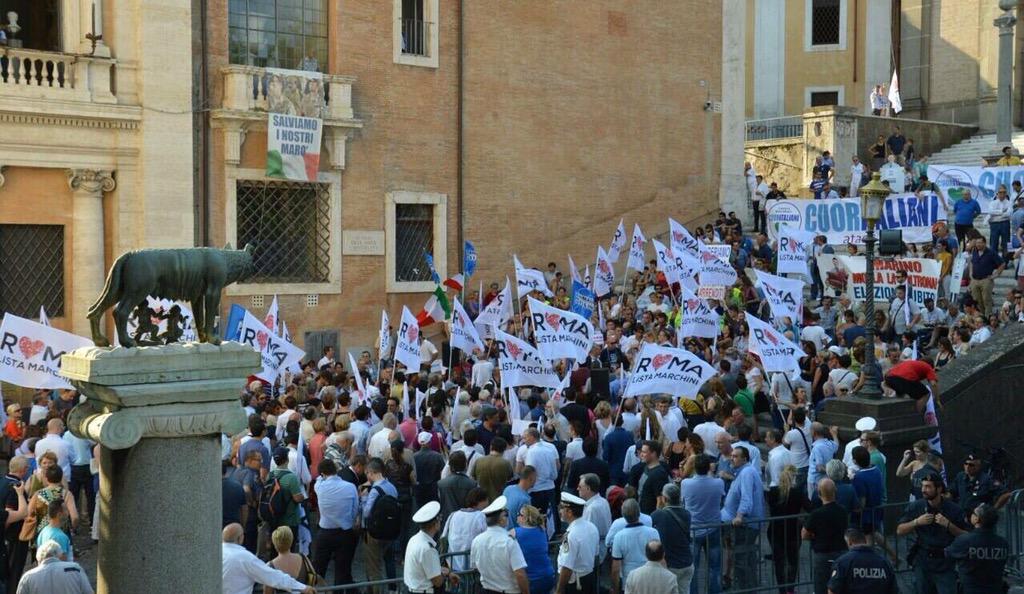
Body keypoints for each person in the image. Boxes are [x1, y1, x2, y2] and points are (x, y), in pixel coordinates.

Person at [896, 473, 969, 594]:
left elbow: (966, 536)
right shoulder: (916, 506)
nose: (923, 490)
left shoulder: (954, 509)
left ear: (939, 488)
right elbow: (899, 530)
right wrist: (916, 522)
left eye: (928, 486)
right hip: (922, 560)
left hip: (945, 562)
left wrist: (949, 525)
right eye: (923, 486)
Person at [720, 446, 765, 592]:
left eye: (735, 456)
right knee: (746, 559)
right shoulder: (743, 471)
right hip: (745, 524)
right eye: (731, 456)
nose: (731, 459)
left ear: (744, 459)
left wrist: (739, 516)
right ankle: (750, 588)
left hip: (746, 525)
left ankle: (746, 589)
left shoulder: (747, 472)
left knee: (742, 560)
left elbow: (747, 498)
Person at [222, 523, 314, 594]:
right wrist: (302, 587)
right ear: (240, 538)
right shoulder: (245, 558)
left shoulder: (216, 553)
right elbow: (274, 577)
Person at [312, 458, 359, 587]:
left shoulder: (319, 487)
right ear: (336, 470)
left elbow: (318, 479)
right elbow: (355, 510)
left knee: (319, 568)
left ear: (322, 473)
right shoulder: (350, 487)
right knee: (343, 570)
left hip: (325, 533)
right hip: (345, 532)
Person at [945, 503, 1010, 594]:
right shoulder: (1003, 543)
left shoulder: (964, 540)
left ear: (976, 519)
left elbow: (948, 554)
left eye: (973, 513)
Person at [470, 495, 530, 594]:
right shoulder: (509, 541)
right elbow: (520, 574)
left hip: (485, 590)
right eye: (506, 515)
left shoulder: (477, 540)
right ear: (502, 519)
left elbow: (475, 567)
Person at [682, 454, 724, 594]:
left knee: (693, 568)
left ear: (694, 467)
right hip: (713, 528)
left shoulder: (686, 483)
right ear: (709, 467)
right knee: (715, 567)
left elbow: (683, 501)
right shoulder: (718, 483)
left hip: (694, 529)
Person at [802, 478, 848, 594]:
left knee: (821, 588)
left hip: (822, 556)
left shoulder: (816, 514)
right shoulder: (843, 511)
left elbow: (804, 535)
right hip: (841, 553)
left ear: (819, 494)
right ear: (835, 492)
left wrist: (813, 535)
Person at [404, 501, 460, 594]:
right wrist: (444, 574)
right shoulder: (427, 549)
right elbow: (438, 582)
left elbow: (425, 568)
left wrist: (446, 572)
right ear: (435, 523)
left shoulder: (414, 539)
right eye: (439, 519)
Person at [361, 457, 399, 593]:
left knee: (374, 567)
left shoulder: (375, 490)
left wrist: (363, 498)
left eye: (367, 473)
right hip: (391, 531)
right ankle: (393, 589)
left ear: (371, 472)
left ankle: (376, 591)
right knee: (389, 560)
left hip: (374, 533)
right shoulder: (392, 487)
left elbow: (366, 513)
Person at [611, 498, 660, 594]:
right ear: (639, 513)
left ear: (623, 515)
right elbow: (660, 559)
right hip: (651, 581)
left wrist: (615, 589)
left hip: (629, 582)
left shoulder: (619, 537)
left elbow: (616, 569)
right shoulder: (653, 532)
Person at [651, 483, 694, 594]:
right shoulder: (687, 514)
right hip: (687, 563)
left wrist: (659, 508)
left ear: (665, 499)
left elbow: (652, 522)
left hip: (671, 565)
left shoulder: (659, 515)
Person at [826, 528, 897, 594]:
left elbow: (833, 590)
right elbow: (894, 590)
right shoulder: (884, 562)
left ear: (849, 542)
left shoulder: (843, 562)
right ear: (865, 541)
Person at [555, 492, 599, 594]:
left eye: (561, 508)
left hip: (575, 584)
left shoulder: (571, 535)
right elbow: (596, 555)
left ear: (569, 512)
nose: (559, 511)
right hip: (588, 579)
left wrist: (558, 591)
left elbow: (566, 568)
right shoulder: (592, 527)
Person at [14, 540, 94, 594]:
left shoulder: (28, 577)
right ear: (59, 555)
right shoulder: (75, 569)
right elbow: (88, 592)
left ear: (38, 559)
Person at [264, 525, 322, 593]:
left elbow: (267, 592)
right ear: (291, 540)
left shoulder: (270, 566)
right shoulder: (303, 558)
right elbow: (313, 577)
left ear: (274, 543)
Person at [513, 505, 556, 594]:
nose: (517, 516)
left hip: (531, 579)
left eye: (519, 514)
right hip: (548, 576)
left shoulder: (514, 532)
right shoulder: (542, 529)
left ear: (525, 518)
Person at [949, 452, 1008, 517]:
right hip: (962, 515)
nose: (967, 467)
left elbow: (1005, 494)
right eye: (966, 464)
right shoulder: (960, 476)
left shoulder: (986, 479)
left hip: (979, 517)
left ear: (978, 466)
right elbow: (952, 492)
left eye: (971, 465)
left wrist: (993, 509)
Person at [969, 236, 1004, 316]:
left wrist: (995, 275)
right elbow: (971, 262)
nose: (978, 244)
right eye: (977, 243)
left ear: (984, 243)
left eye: (980, 243)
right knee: (976, 300)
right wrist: (970, 273)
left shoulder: (991, 253)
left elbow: (1002, 264)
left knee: (986, 300)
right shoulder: (974, 251)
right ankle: (981, 318)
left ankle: (988, 317)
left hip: (986, 280)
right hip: (975, 280)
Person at [634, 440, 670, 514]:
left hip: (650, 516)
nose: (641, 455)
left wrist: (655, 518)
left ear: (653, 454)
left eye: (644, 452)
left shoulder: (659, 474)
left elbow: (660, 501)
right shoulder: (646, 467)